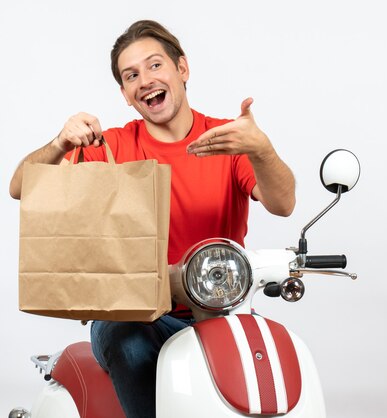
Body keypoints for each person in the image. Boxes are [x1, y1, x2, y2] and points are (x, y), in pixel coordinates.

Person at [9, 20, 296, 418]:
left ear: (182, 69)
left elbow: (283, 204)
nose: (145, 80)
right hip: (135, 317)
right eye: (132, 75)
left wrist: (262, 149)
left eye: (155, 65)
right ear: (126, 95)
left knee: (269, 355)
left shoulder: (228, 140)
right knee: (129, 342)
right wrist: (60, 142)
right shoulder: (114, 146)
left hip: (220, 310)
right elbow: (21, 186)